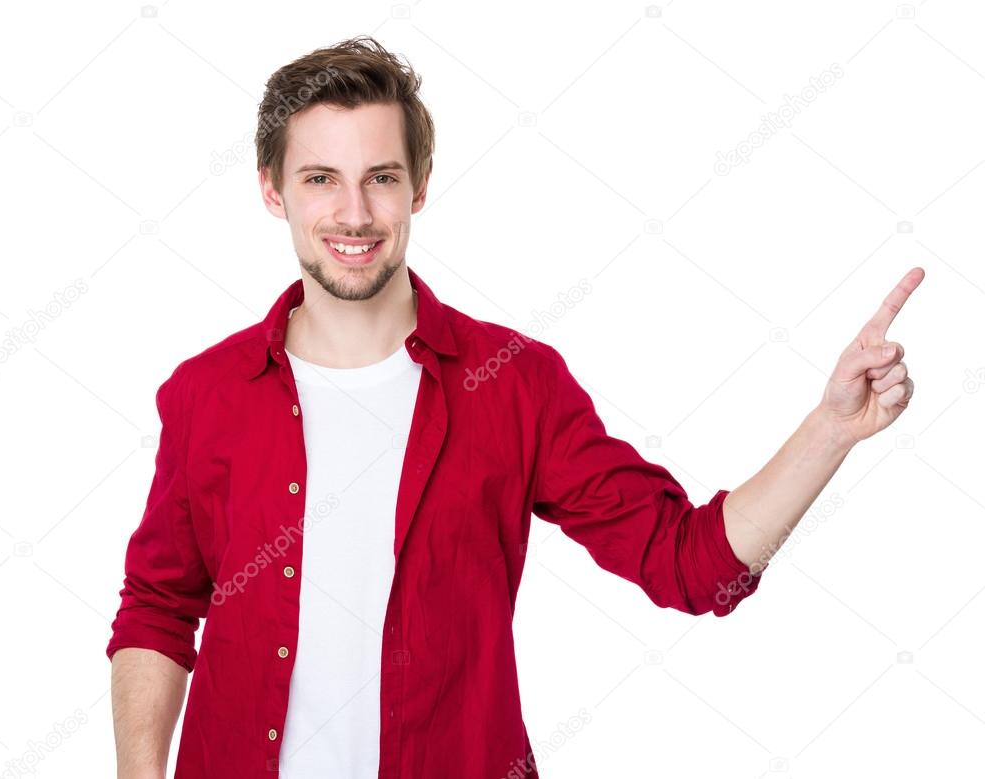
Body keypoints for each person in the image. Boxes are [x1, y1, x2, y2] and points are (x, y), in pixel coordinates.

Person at [106, 35, 922, 779]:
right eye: (321, 179)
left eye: (380, 178)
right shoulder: (205, 395)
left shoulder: (514, 383)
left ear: (418, 187)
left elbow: (690, 564)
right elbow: (157, 606)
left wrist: (832, 429)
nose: (354, 214)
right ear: (273, 191)